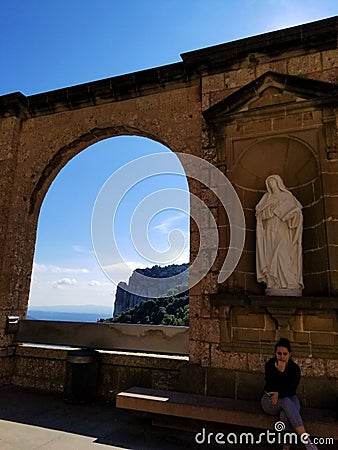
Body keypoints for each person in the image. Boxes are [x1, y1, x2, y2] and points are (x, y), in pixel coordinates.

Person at [261, 338, 318, 450]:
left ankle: (286, 447)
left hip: (289, 398)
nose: (282, 356)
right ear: (275, 353)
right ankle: (309, 444)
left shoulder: (294, 368)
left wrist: (283, 373)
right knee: (285, 401)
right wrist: (279, 373)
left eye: (285, 354)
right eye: (279, 353)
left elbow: (291, 389)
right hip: (270, 400)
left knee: (285, 414)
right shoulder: (270, 365)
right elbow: (270, 386)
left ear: (290, 354)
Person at [255, 175, 303, 294]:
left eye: (273, 180)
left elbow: (297, 212)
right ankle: (273, 281)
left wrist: (290, 215)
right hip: (270, 229)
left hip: (283, 227)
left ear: (278, 182)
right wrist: (266, 212)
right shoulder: (266, 197)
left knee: (283, 251)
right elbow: (259, 213)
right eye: (269, 181)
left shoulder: (287, 196)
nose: (271, 182)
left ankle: (289, 281)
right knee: (270, 253)